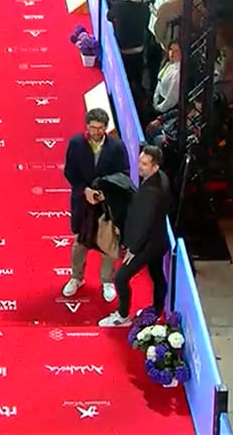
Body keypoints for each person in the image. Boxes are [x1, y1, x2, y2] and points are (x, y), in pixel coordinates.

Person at [100, 144, 170, 328]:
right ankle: (157, 309)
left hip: (148, 244)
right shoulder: (160, 178)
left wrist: (133, 248)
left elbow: (143, 223)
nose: (139, 166)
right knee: (157, 275)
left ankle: (122, 316)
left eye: (145, 164)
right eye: (140, 161)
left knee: (121, 277)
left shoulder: (151, 192)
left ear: (155, 167)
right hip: (158, 240)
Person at [63, 108, 125, 304]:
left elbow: (123, 173)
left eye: (100, 128)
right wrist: (85, 191)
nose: (96, 132)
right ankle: (76, 277)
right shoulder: (75, 144)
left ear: (106, 128)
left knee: (108, 244)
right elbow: (70, 172)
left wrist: (106, 193)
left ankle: (107, 280)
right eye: (92, 128)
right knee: (80, 243)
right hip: (83, 202)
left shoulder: (116, 146)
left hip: (107, 204)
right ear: (86, 126)